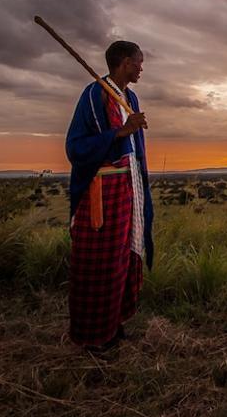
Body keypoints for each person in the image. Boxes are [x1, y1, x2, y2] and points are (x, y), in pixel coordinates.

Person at [65, 41, 154, 352]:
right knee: (97, 264)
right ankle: (92, 337)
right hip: (101, 193)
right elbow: (75, 148)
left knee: (121, 260)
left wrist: (131, 129)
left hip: (128, 189)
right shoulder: (94, 95)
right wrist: (120, 132)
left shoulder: (128, 97)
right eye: (138, 63)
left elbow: (133, 149)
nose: (141, 68)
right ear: (124, 62)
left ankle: (113, 326)